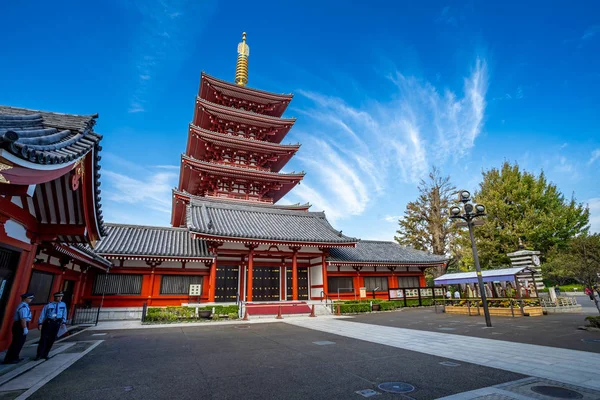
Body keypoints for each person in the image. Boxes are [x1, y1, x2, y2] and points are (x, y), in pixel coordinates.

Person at [2, 293, 34, 364]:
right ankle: (10, 359)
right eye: (30, 298)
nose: (31, 300)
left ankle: (15, 357)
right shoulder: (23, 307)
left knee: (18, 343)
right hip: (20, 325)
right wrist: (25, 328)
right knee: (17, 343)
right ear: (25, 298)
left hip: (20, 324)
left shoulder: (24, 306)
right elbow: (23, 318)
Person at [35, 292, 68, 361]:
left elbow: (64, 313)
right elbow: (42, 314)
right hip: (49, 322)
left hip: (57, 322)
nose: (60, 298)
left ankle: (45, 354)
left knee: (52, 339)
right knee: (44, 339)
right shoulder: (48, 305)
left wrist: (64, 322)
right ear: (55, 297)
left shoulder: (63, 304)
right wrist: (40, 323)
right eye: (58, 297)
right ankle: (39, 354)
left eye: (61, 297)